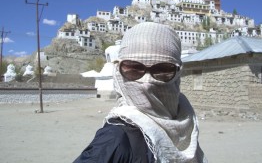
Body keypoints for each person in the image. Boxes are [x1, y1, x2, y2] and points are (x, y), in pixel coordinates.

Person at [74, 22, 207, 163]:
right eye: (133, 69)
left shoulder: (187, 123)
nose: (147, 83)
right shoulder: (115, 140)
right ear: (118, 70)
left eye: (163, 70)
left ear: (177, 73)